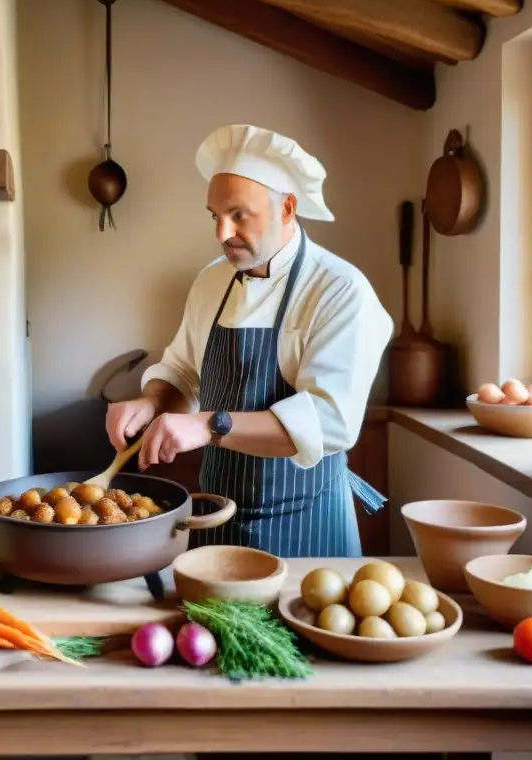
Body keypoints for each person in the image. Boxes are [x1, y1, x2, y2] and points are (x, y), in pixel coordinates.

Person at [105, 124, 393, 558]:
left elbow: (328, 420)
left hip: (307, 527)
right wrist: (151, 404)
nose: (222, 233)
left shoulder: (339, 289)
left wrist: (207, 425)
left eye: (239, 215)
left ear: (287, 209)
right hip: (218, 521)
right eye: (214, 215)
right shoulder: (211, 281)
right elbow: (183, 373)